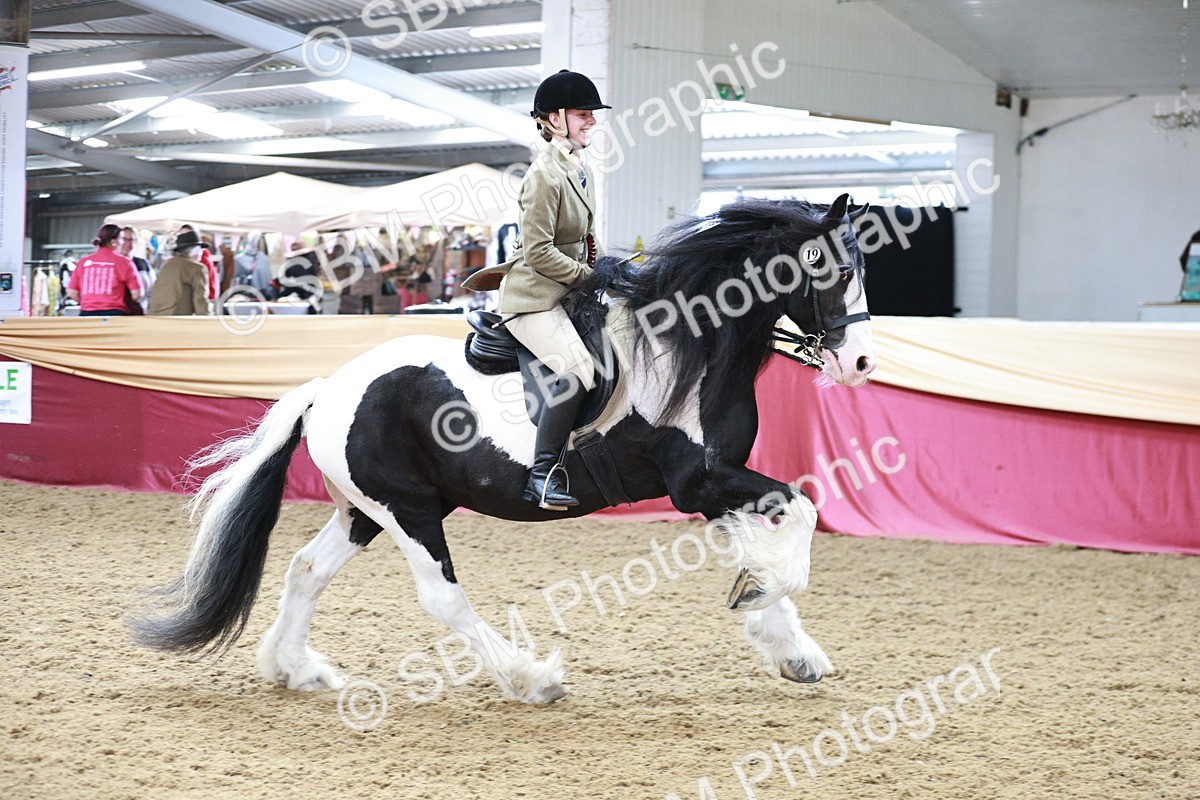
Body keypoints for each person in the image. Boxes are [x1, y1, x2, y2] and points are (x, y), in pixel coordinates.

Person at [462, 69, 610, 511]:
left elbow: (586, 237)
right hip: (533, 299)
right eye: (584, 115)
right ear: (556, 119)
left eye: (591, 115)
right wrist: (590, 278)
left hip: (568, 294)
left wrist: (608, 271)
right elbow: (541, 253)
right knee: (577, 372)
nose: (592, 122)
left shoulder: (578, 168)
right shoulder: (543, 175)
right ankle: (543, 476)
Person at [66, 223, 142, 316]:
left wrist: (89, 303)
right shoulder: (124, 262)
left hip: (87, 314)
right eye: (122, 239)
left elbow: (72, 292)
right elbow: (137, 294)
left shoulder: (83, 262)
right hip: (115, 315)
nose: (124, 243)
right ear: (114, 241)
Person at [148, 229, 210, 316]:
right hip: (177, 319)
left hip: (154, 317)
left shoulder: (167, 264)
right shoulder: (197, 268)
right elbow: (200, 301)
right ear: (195, 250)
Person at [180, 224, 219, 303]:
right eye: (182, 235)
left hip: (202, 301)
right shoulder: (179, 259)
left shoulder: (203, 259)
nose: (185, 239)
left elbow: (210, 284)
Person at [117, 227, 153, 311]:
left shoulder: (144, 264)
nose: (127, 243)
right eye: (124, 239)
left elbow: (152, 290)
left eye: (131, 240)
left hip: (141, 312)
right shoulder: (111, 264)